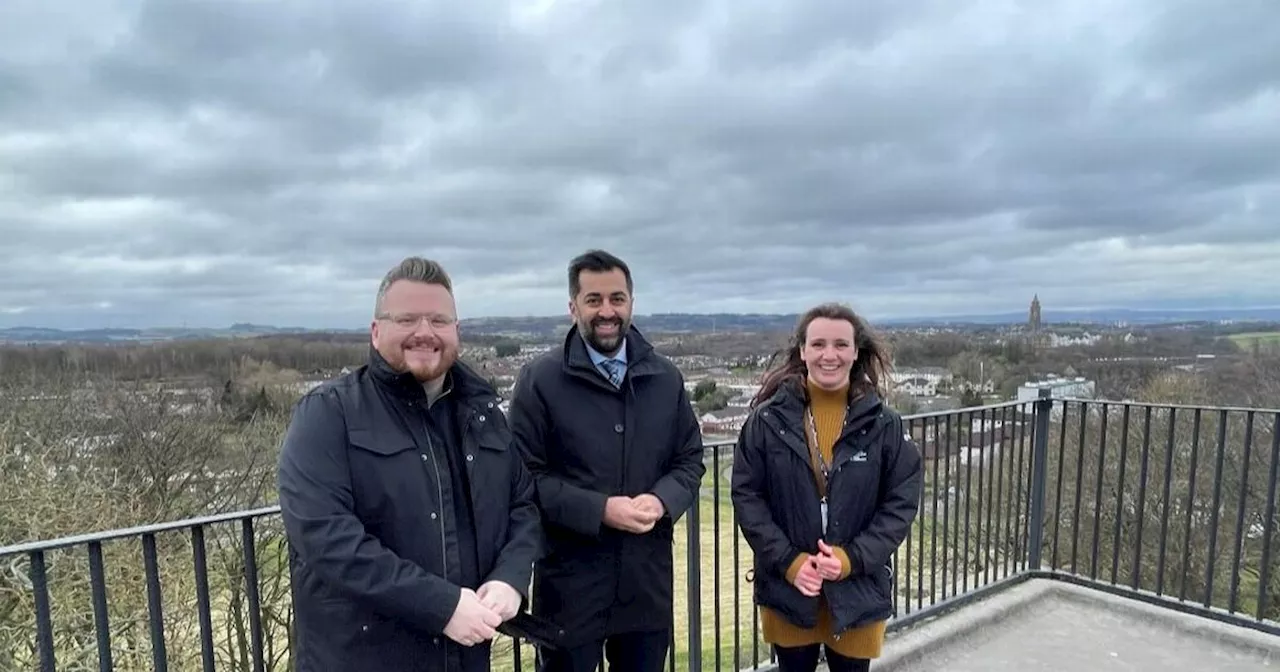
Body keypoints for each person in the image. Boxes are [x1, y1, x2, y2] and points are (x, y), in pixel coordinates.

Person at [277, 256, 543, 672]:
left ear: (457, 331)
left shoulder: (483, 414)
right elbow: (326, 538)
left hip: (466, 658)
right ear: (376, 330)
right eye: (407, 320)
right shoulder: (329, 413)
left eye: (439, 320)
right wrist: (443, 607)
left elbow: (522, 504)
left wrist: (511, 578)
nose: (425, 332)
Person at [507, 249, 706, 672]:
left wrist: (663, 500)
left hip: (646, 584)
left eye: (617, 298)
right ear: (573, 306)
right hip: (569, 587)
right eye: (593, 300)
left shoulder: (665, 378)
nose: (607, 311)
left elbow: (689, 459)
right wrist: (601, 511)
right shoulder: (539, 380)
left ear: (631, 303)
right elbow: (524, 479)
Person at [730, 303, 923, 672]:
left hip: (858, 590)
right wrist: (790, 562)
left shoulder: (886, 426)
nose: (829, 355)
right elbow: (747, 497)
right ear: (802, 351)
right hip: (789, 590)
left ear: (855, 351)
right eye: (818, 344)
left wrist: (851, 560)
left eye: (840, 344)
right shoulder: (766, 421)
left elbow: (900, 503)